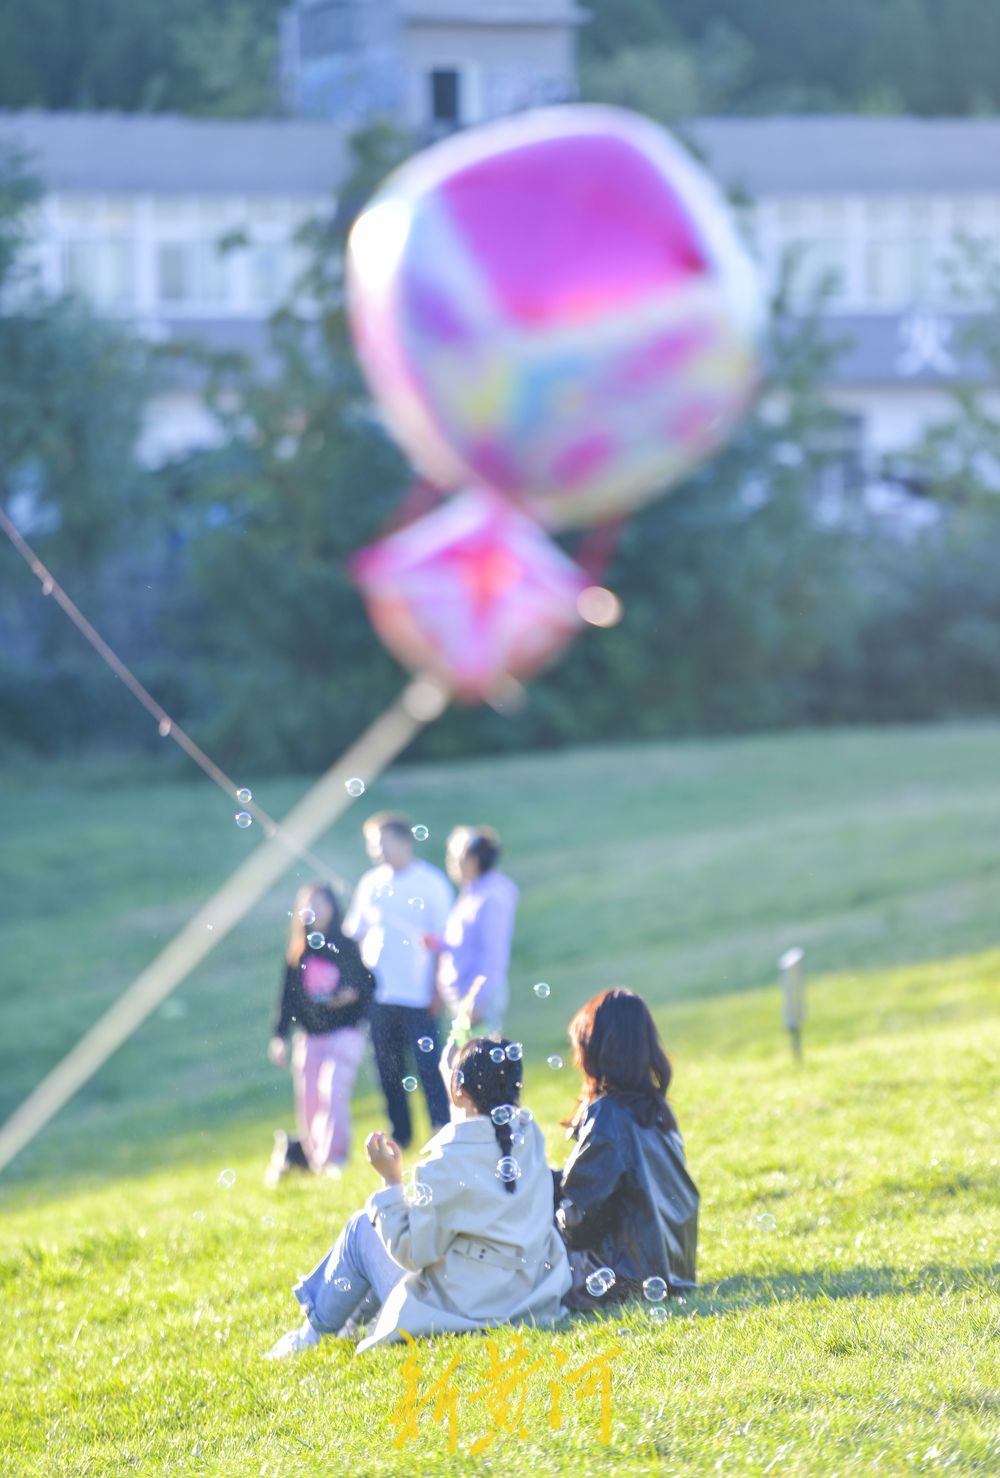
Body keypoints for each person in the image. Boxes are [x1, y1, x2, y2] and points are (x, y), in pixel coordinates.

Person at [264, 1036, 571, 1357]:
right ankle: (348, 1323)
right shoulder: (527, 1136)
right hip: (524, 1296)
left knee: (362, 1230)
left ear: (458, 1090)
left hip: (463, 1310)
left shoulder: (443, 1165)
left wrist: (390, 1180)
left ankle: (311, 1334)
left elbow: (412, 1253)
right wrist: (453, 1078)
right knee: (375, 1236)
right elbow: (480, 1132)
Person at [553, 988, 699, 1311]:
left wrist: (546, 1211)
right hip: (671, 1272)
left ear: (596, 1053)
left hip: (622, 1279)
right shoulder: (657, 1111)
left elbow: (580, 1219)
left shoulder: (607, 1115)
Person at [343, 813, 454, 1148]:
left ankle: (442, 1132)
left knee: (429, 1069)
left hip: (419, 994)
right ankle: (402, 1136)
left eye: (382, 843)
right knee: (387, 1070)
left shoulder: (431, 883)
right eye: (372, 845)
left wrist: (437, 989)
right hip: (380, 994)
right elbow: (356, 933)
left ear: (404, 841)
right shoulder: (370, 884)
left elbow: (444, 943)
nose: (376, 851)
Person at [265, 883, 375, 1185]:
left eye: (321, 903)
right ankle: (314, 1159)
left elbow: (368, 984)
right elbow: (286, 997)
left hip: (344, 1033)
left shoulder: (346, 945)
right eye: (309, 905)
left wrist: (348, 995)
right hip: (310, 1038)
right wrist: (279, 1036)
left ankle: (334, 1159)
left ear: (333, 907)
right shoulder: (299, 952)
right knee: (310, 1100)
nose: (315, 911)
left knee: (332, 1091)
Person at [432, 826, 519, 1041]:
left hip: (477, 998)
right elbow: (466, 941)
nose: (451, 863)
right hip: (462, 994)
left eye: (456, 857)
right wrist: (441, 943)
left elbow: (493, 953)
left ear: (474, 859)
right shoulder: (471, 892)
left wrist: (477, 1000)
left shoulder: (491, 897)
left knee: (479, 1066)